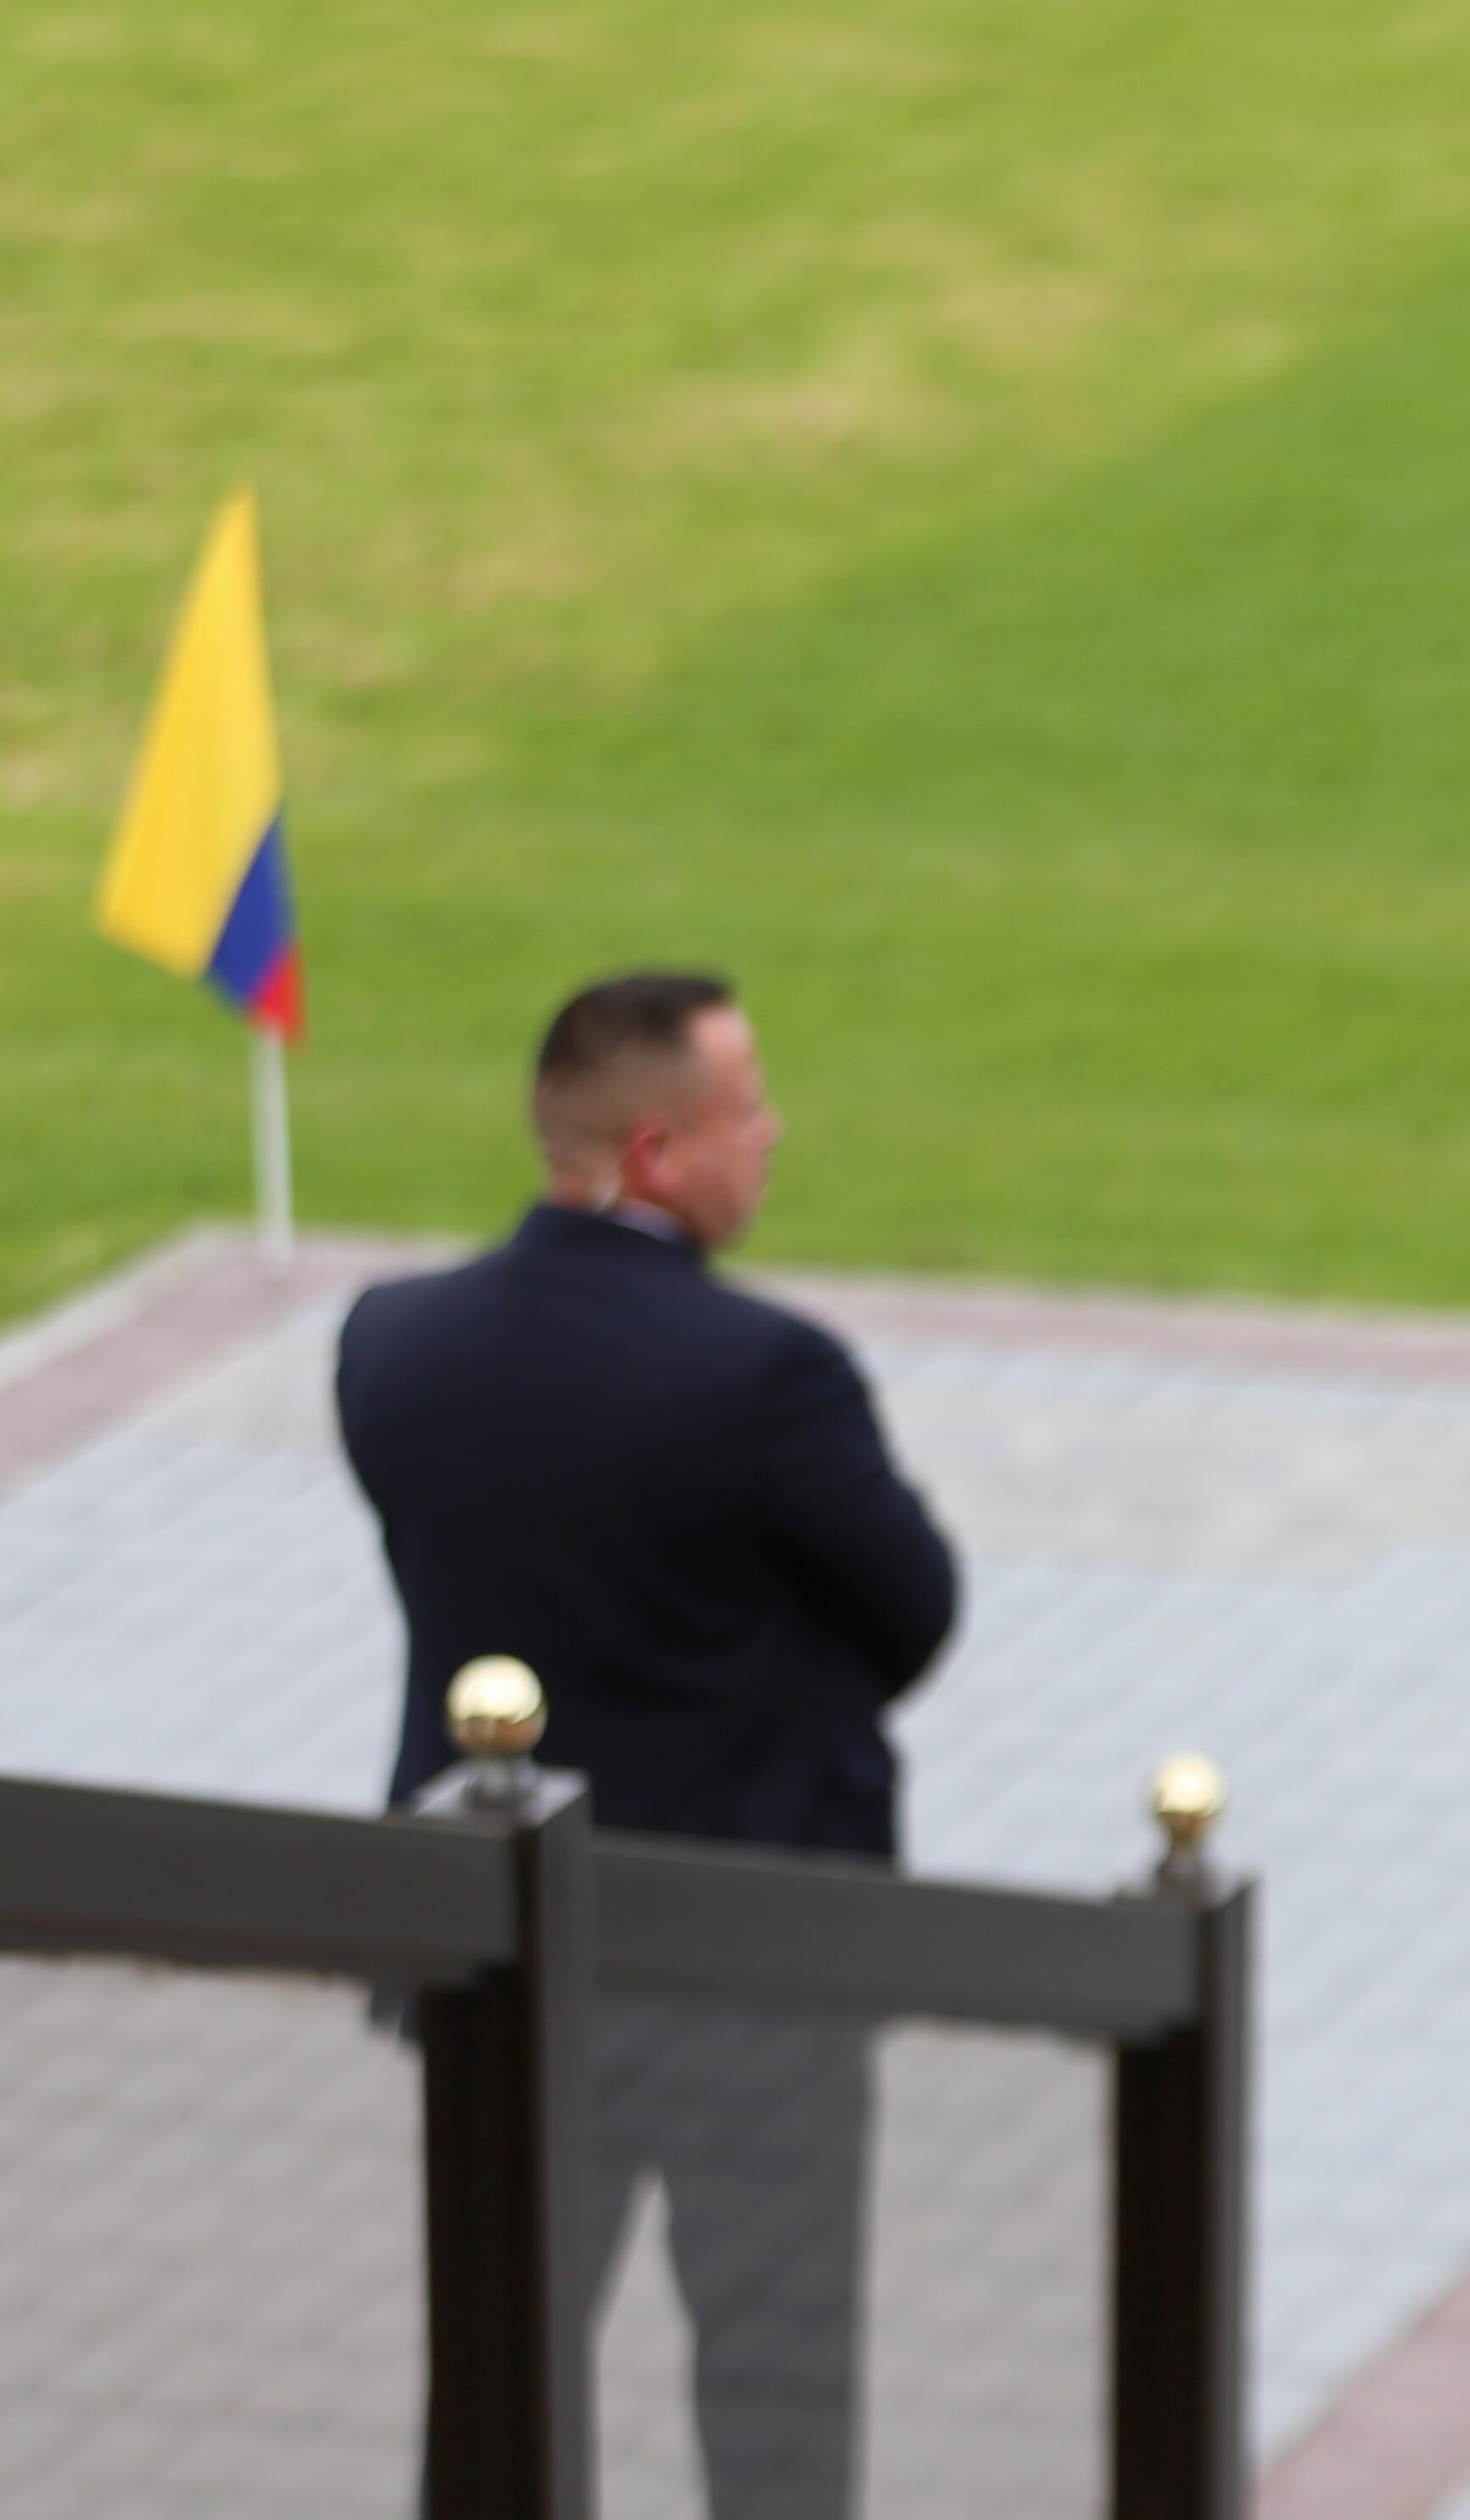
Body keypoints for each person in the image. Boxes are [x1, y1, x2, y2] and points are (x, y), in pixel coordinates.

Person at [340, 969, 957, 2520]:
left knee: (497, 2368)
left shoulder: (390, 1340)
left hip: (498, 1958)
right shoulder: (767, 1375)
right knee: (774, 2398)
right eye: (747, 1110)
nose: (774, 1133)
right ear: (656, 1152)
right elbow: (913, 1609)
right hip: (749, 1972)